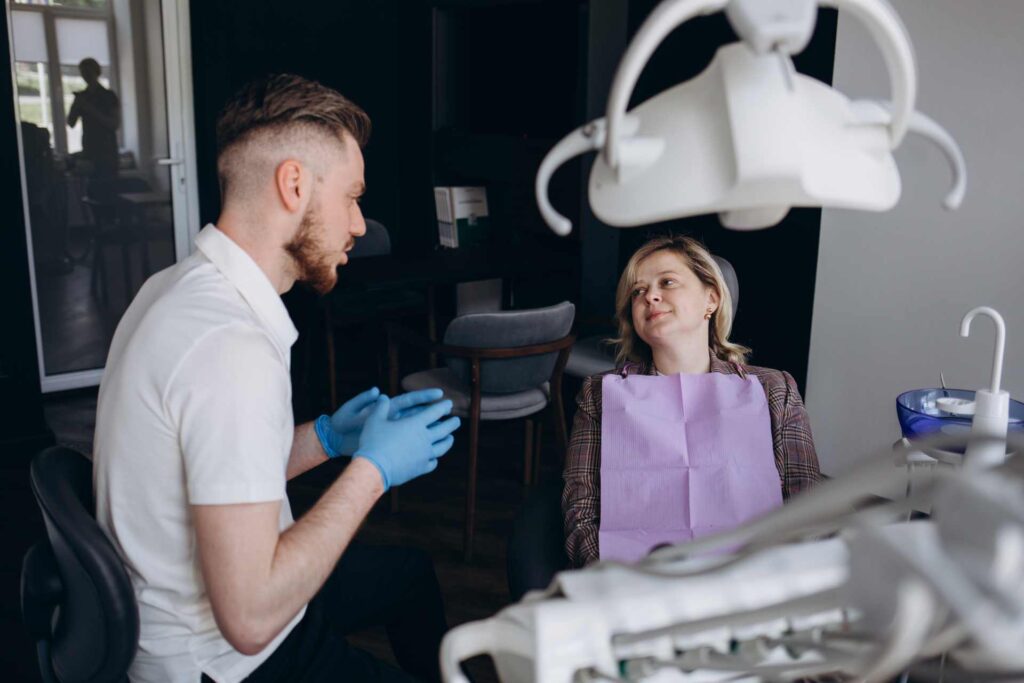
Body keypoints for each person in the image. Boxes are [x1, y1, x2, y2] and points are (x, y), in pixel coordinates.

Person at [92, 74, 460, 682]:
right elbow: (251, 615)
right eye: (351, 197)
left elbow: (212, 474)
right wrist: (372, 471)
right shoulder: (228, 348)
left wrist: (327, 438)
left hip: (208, 608)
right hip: (225, 658)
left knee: (410, 574)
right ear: (294, 185)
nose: (360, 225)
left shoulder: (179, 289)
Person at [562, 234, 822, 567]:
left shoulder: (773, 390)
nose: (650, 296)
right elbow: (580, 512)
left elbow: (808, 506)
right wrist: (620, 585)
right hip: (637, 595)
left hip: (753, 591)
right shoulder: (600, 395)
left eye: (667, 282)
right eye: (638, 292)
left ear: (710, 299)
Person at [67, 57, 120, 200]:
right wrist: (76, 106)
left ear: (96, 72)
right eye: (83, 72)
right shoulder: (82, 97)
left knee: (109, 193)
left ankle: (110, 221)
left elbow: (114, 124)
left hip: (107, 152)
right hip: (90, 151)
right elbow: (70, 123)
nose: (86, 75)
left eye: (88, 72)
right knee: (93, 193)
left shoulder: (108, 96)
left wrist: (90, 109)